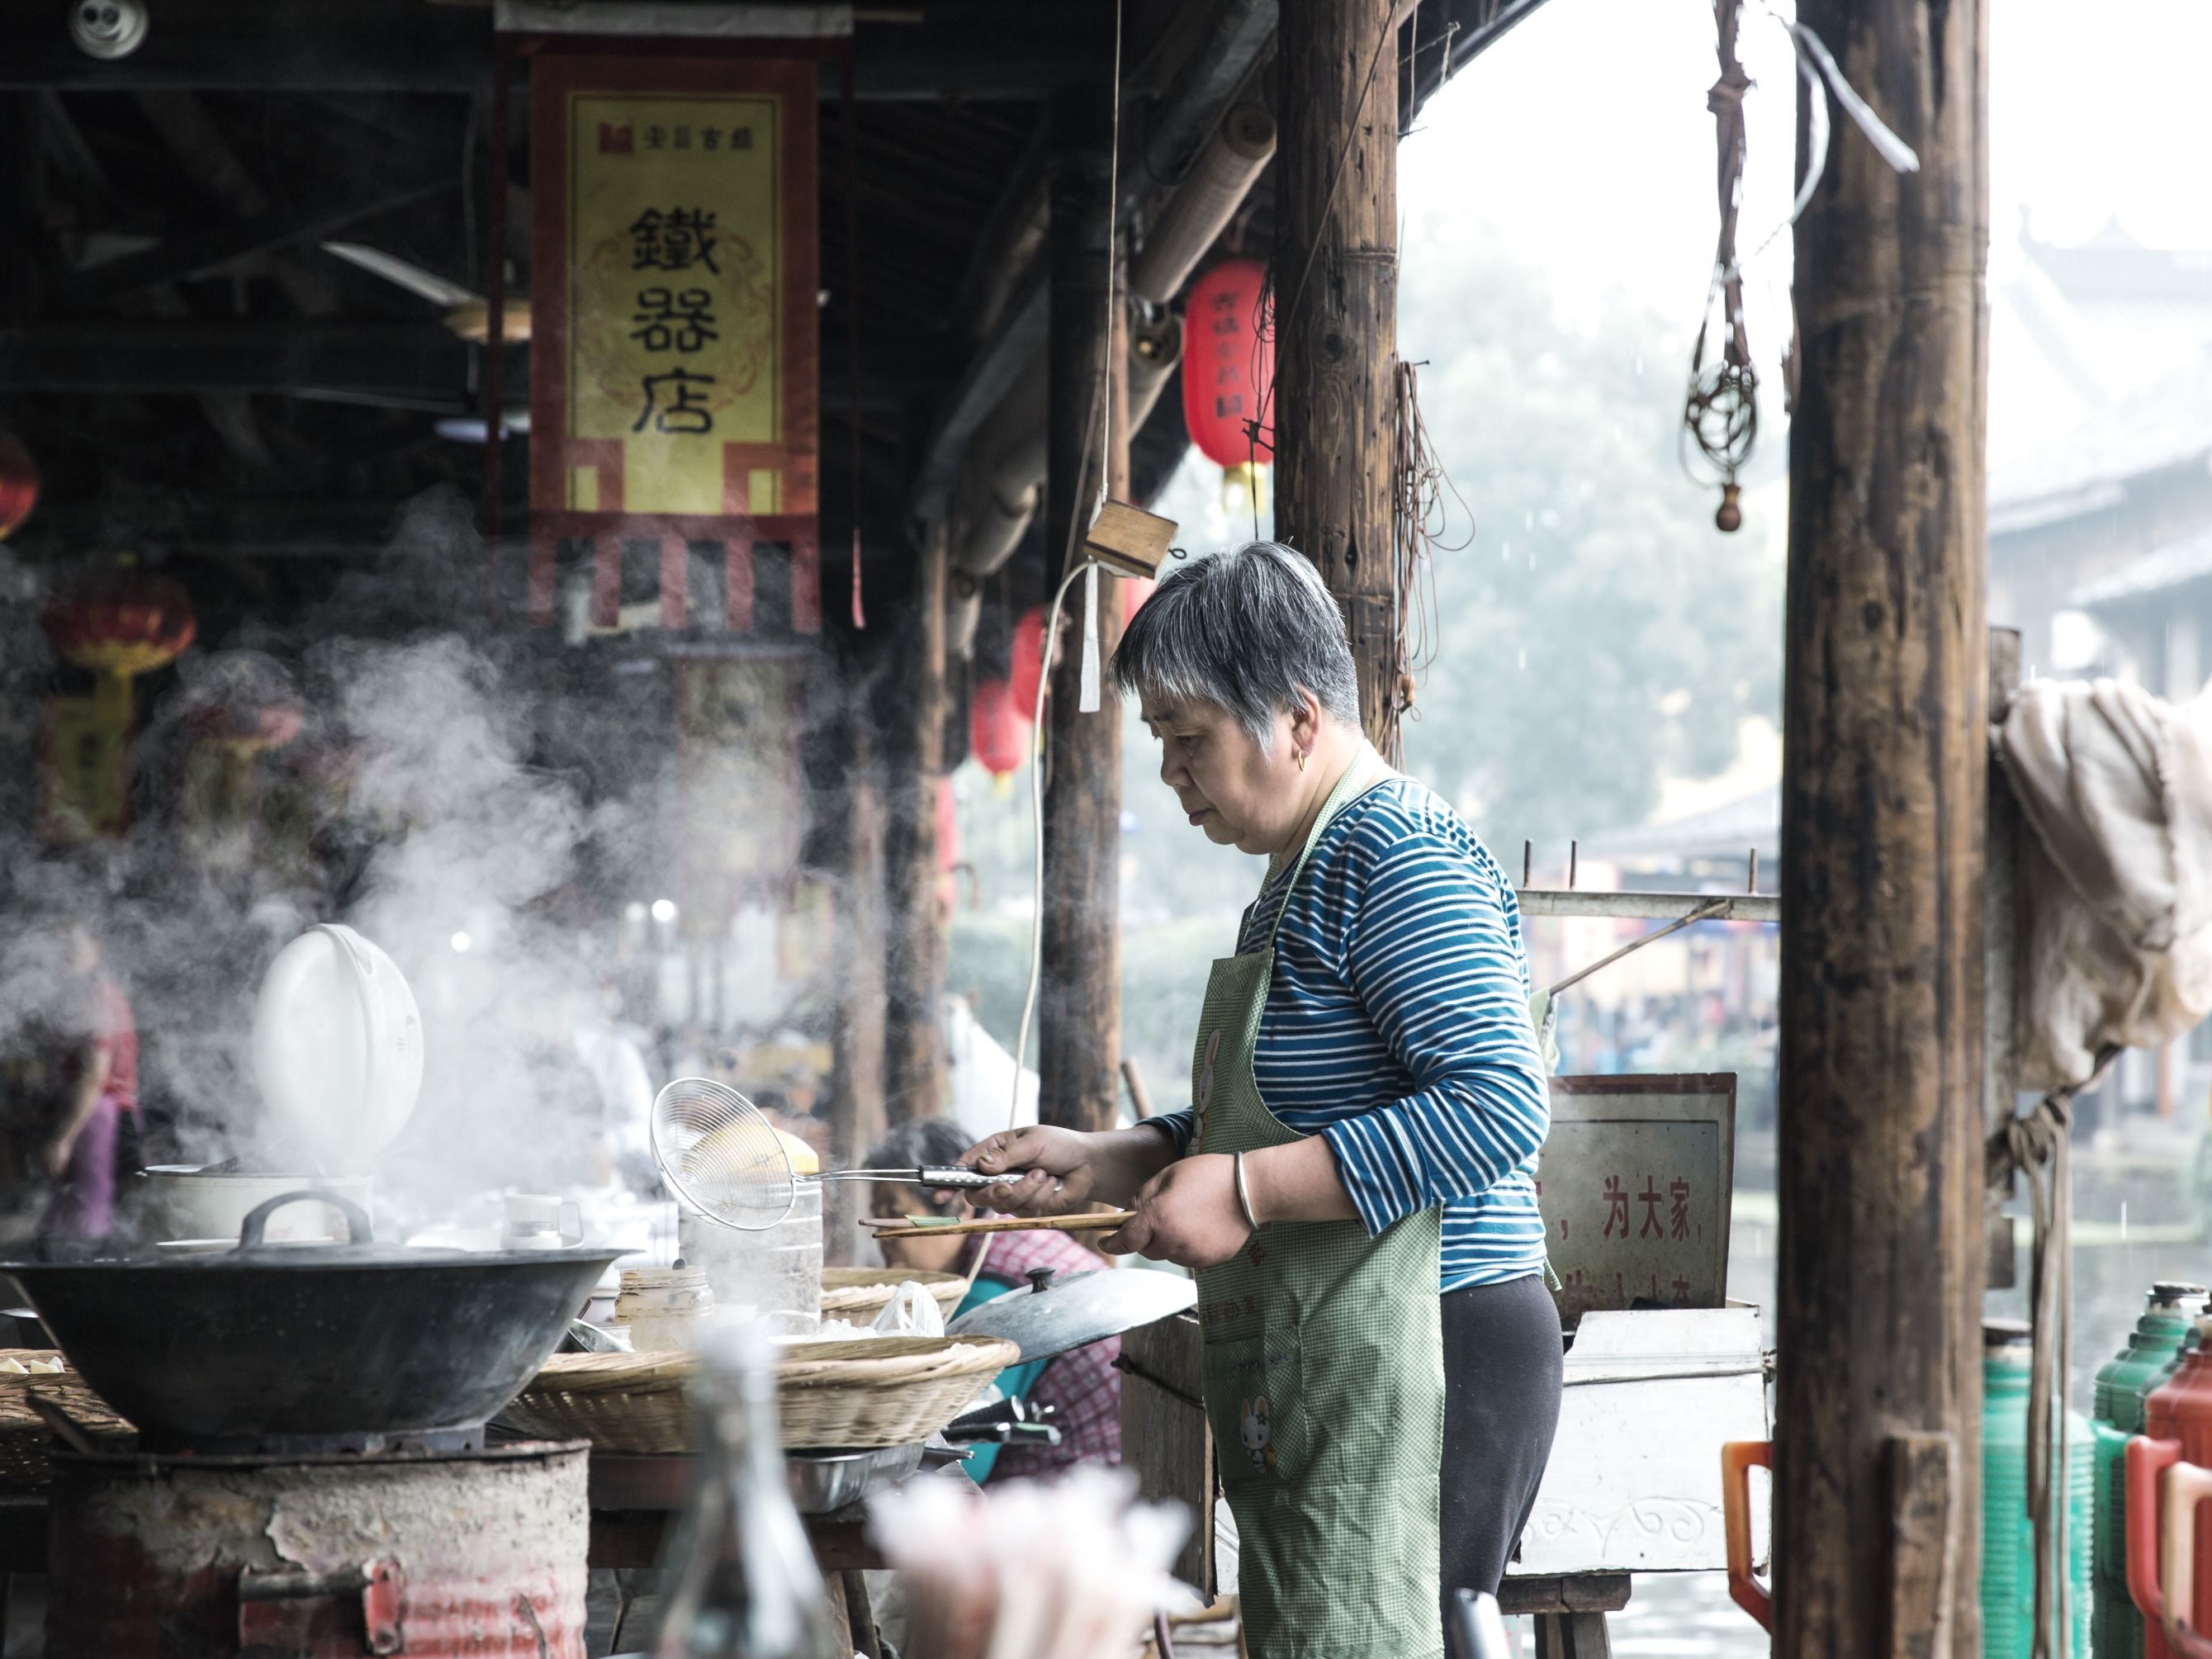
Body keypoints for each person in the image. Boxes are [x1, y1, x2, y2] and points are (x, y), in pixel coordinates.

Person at [963, 542, 1560, 1657]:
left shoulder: (1396, 854)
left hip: (1441, 1342)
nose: (1171, 774)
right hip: (1342, 1345)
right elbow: (1284, 1111)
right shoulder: (1292, 875)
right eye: (1162, 744)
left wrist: (1245, 1189)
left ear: (1293, 719)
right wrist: (1118, 1155)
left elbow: (1493, 1107)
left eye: (1187, 739)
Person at [866, 1116, 1120, 1485]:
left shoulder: (997, 1290)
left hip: (1077, 1493)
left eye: (893, 1212)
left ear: (956, 1204)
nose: (881, 1232)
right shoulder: (1013, 1243)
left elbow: (964, 1460)